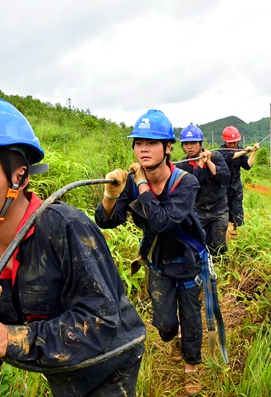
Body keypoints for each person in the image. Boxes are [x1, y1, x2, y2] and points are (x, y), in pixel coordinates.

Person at [0, 94, 146, 397]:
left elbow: (102, 321)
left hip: (110, 363)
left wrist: (13, 339)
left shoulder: (66, 228)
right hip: (58, 369)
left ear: (20, 176)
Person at [95, 109, 205, 396]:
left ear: (168, 148)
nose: (143, 148)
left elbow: (161, 222)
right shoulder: (132, 183)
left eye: (152, 143)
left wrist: (142, 183)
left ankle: (191, 365)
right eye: (139, 142)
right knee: (166, 325)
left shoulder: (186, 182)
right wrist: (111, 193)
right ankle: (176, 336)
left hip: (187, 262)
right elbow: (107, 221)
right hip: (157, 263)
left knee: (192, 316)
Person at [176, 123, 230, 256]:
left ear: (200, 143)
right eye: (186, 143)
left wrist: (209, 162)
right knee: (200, 244)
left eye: (193, 143)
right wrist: (200, 164)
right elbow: (192, 185)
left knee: (219, 245)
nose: (189, 147)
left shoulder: (216, 156)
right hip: (198, 211)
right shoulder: (183, 165)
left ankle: (221, 268)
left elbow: (226, 178)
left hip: (219, 210)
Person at [218, 126, 260, 232]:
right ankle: (225, 237)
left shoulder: (241, 151)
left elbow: (247, 165)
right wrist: (245, 151)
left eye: (234, 142)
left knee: (238, 213)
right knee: (224, 214)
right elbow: (229, 157)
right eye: (229, 143)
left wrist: (253, 151)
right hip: (222, 190)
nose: (232, 145)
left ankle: (239, 236)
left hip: (236, 188)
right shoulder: (220, 152)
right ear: (225, 141)